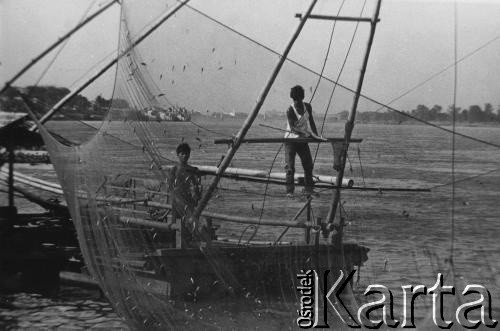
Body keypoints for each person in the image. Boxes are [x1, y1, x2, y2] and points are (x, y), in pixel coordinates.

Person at [284, 85, 321, 197]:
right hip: (291, 140)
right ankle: (290, 191)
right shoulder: (290, 110)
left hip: (303, 141)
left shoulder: (307, 107)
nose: (297, 102)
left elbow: (312, 122)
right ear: (293, 99)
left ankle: (308, 189)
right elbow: (293, 127)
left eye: (299, 99)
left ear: (302, 98)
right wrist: (306, 134)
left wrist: (316, 136)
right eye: (295, 100)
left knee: (308, 165)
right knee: (290, 167)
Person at [168, 143, 202, 244]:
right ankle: (176, 245)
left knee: (190, 225)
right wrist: (175, 199)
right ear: (177, 155)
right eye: (182, 154)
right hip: (177, 202)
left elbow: (197, 186)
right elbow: (170, 187)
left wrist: (196, 198)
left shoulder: (193, 170)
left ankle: (188, 246)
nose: (185, 156)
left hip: (189, 202)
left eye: (187, 154)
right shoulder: (174, 170)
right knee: (176, 225)